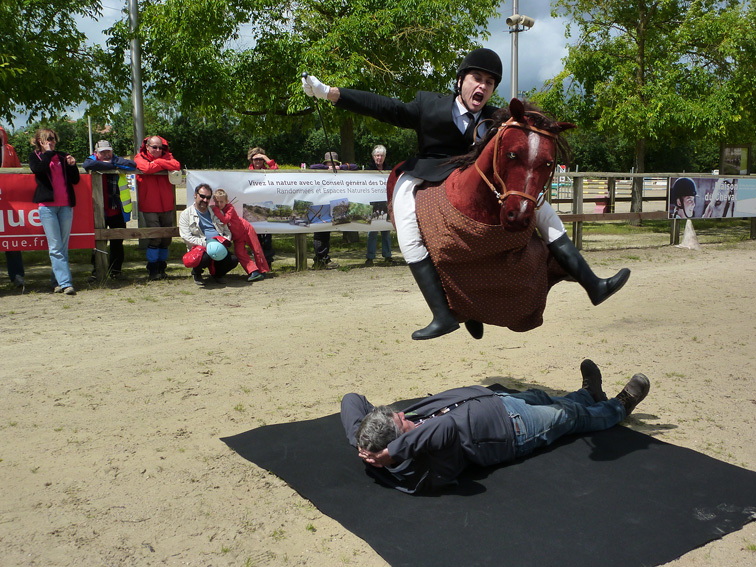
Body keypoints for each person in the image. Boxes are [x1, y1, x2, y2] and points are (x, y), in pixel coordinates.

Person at [303, 48, 630, 340]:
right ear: (460, 80)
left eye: (490, 82)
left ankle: (592, 283)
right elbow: (386, 107)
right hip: (428, 173)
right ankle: (441, 314)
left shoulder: (497, 118)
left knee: (543, 209)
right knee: (405, 219)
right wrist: (330, 93)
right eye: (477, 78)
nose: (483, 87)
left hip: (476, 179)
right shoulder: (429, 104)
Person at [341, 359, 651, 493]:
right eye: (402, 421)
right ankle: (619, 407)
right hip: (512, 430)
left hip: (493, 401)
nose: (405, 415)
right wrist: (394, 452)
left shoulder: (380, 443)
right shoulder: (417, 468)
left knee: (548, 398)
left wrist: (360, 442)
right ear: (396, 444)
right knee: (571, 417)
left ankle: (589, 394)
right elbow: (444, 428)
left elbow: (351, 399)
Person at [28, 128, 80, 295]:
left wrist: (72, 166)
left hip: (65, 206)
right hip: (47, 207)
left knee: (62, 247)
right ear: (39, 141)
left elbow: (75, 180)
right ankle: (66, 284)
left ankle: (57, 282)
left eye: (53, 139)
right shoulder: (35, 157)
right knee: (55, 247)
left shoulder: (63, 156)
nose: (51, 142)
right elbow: (39, 170)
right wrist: (48, 154)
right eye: (48, 139)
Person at [83, 140, 137, 279]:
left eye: (109, 151)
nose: (106, 154)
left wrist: (111, 163)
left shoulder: (117, 160)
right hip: (98, 211)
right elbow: (87, 165)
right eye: (103, 152)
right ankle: (97, 271)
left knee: (117, 242)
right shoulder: (91, 161)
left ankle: (116, 271)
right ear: (96, 153)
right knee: (97, 243)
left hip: (117, 210)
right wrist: (111, 165)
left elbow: (132, 165)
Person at [134, 135, 181, 280]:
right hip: (149, 205)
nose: (158, 150)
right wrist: (164, 164)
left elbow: (176, 165)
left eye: (161, 147)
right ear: (147, 147)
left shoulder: (167, 157)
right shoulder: (139, 157)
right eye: (154, 147)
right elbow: (146, 168)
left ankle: (162, 268)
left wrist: (158, 162)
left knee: (166, 239)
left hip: (167, 205)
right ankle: (153, 269)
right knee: (155, 238)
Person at [178, 183, 238, 286]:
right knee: (204, 258)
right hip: (200, 247)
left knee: (233, 260)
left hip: (218, 246)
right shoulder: (186, 214)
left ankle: (217, 274)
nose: (205, 200)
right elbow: (186, 237)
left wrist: (224, 241)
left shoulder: (216, 212)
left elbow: (227, 231)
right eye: (202, 196)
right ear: (195, 195)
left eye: (208, 197)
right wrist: (208, 244)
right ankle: (196, 273)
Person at [309, 151, 358, 268]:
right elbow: (312, 166)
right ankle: (320, 259)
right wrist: (327, 168)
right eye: (329, 163)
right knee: (319, 232)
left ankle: (323, 259)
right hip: (321, 204)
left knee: (326, 233)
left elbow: (354, 167)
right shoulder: (320, 170)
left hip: (334, 205)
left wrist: (340, 168)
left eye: (334, 163)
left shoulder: (340, 170)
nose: (331, 165)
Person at [211, 188, 269, 282]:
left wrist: (216, 210)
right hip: (237, 237)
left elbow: (225, 220)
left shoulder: (230, 208)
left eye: (221, 202)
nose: (219, 204)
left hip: (246, 229)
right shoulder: (216, 209)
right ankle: (253, 271)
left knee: (256, 249)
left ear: (226, 201)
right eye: (217, 202)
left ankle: (263, 270)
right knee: (239, 253)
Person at [1, 125, 24, 288]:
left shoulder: (10, 150)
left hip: (8, 200)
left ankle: (17, 275)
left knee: (12, 238)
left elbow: (18, 172)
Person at [365, 144, 395, 266]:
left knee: (386, 231)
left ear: (384, 157)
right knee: (372, 232)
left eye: (381, 155)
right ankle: (370, 257)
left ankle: (387, 256)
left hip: (385, 203)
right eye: (377, 155)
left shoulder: (389, 170)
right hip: (372, 204)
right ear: (373, 156)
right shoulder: (367, 171)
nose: (379, 158)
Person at [247, 146, 277, 265]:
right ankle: (259, 263)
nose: (258, 161)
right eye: (256, 159)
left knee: (268, 239)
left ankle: (268, 263)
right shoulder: (246, 173)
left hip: (267, 207)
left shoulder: (268, 172)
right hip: (252, 209)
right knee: (256, 239)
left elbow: (276, 170)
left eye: (261, 159)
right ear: (251, 160)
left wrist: (265, 157)